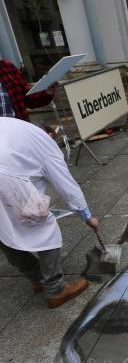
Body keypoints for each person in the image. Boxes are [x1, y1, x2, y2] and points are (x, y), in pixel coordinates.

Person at [0, 117, 98, 308]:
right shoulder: (44, 142)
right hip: (5, 175)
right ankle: (56, 289)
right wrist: (87, 216)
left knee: (3, 230)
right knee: (43, 227)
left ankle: (37, 277)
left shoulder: (13, 126)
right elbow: (66, 184)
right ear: (51, 135)